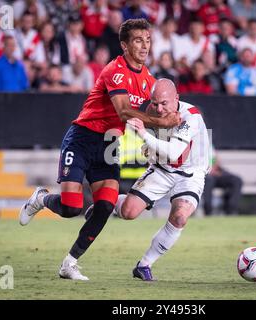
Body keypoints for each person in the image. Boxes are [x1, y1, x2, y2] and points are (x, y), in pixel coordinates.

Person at [18, 19, 180, 281]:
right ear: (124, 45)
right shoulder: (114, 70)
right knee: (72, 207)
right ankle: (41, 198)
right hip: (82, 139)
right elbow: (125, 112)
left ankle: (69, 264)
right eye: (138, 40)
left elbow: (151, 113)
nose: (145, 45)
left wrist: (169, 127)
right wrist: (162, 121)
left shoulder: (148, 79)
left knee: (105, 206)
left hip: (109, 145)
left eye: (148, 40)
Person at [95, 78, 211, 281]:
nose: (158, 109)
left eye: (164, 103)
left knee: (180, 217)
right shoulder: (150, 111)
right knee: (128, 212)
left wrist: (143, 135)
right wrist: (146, 145)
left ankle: (144, 265)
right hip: (162, 169)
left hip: (191, 173)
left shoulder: (190, 116)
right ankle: (106, 205)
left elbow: (175, 152)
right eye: (155, 103)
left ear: (177, 99)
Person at [203, 150, 242, 216]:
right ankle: (208, 211)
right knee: (209, 180)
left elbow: (215, 158)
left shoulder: (208, 144)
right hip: (204, 173)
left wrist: (215, 168)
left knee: (237, 180)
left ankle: (231, 210)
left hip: (216, 171)